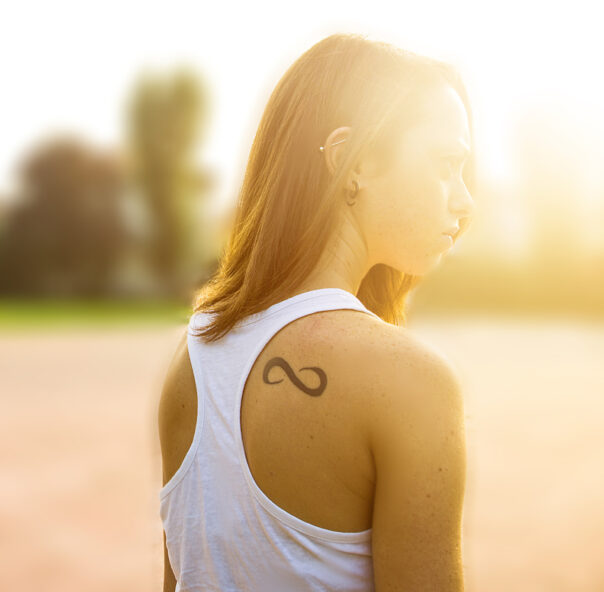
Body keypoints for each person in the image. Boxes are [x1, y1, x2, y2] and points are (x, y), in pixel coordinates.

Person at [157, 32, 475, 591]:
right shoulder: (408, 382)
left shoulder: (192, 358)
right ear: (353, 160)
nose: (464, 200)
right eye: (446, 164)